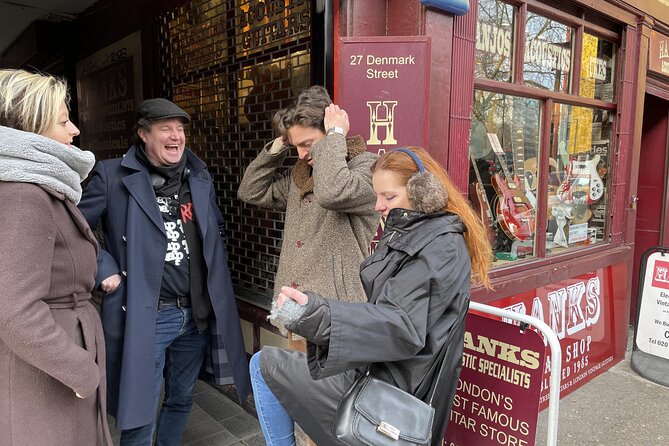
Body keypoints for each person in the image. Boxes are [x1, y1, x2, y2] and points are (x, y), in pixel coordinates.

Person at [249, 147, 493, 446]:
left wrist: (320, 314)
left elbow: (401, 325)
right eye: (378, 195)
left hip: (392, 386)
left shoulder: (438, 246)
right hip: (379, 370)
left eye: (388, 197)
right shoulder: (417, 234)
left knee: (262, 366)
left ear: (422, 192)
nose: (378, 206)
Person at [78, 98, 251, 445]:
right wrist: (103, 267)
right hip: (148, 315)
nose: (176, 137)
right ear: (143, 134)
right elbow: (74, 229)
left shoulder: (198, 177)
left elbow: (214, 231)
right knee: (139, 411)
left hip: (195, 312)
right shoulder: (112, 175)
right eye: (165, 128)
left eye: (180, 129)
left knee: (182, 398)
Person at [0, 69, 112, 445]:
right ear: (31, 128)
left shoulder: (36, 185)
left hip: (51, 367)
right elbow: (15, 310)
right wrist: (81, 370)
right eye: (63, 121)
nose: (74, 130)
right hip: (47, 379)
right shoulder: (23, 194)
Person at [238, 85, 379, 336]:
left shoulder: (366, 168)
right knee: (295, 374)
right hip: (294, 308)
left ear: (330, 133)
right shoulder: (300, 177)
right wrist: (281, 143)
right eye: (296, 147)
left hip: (337, 314)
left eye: (308, 143)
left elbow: (332, 192)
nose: (301, 155)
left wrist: (335, 134)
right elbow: (250, 190)